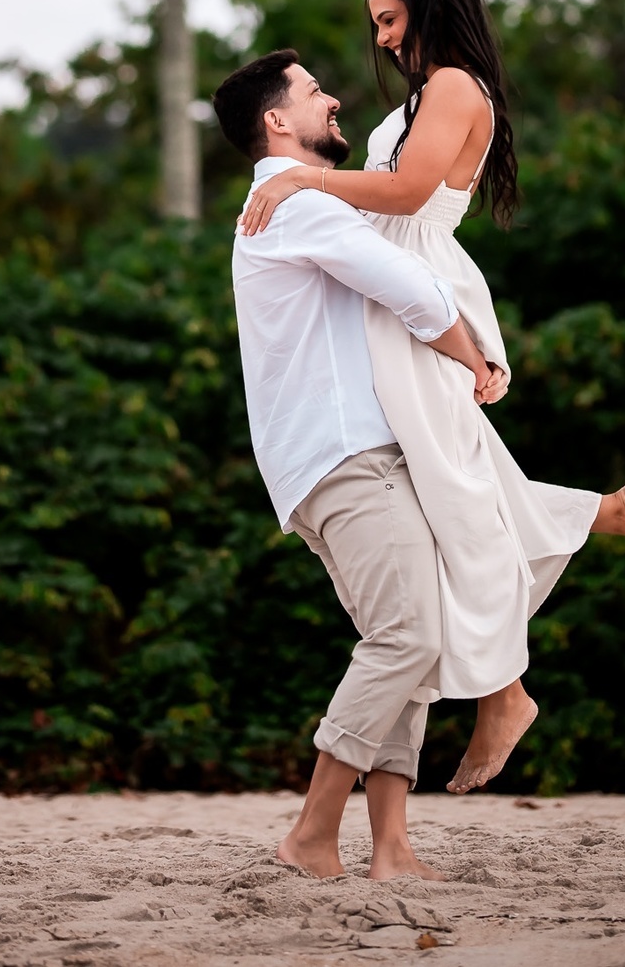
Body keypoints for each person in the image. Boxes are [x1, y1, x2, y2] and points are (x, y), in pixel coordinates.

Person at [236, 0, 625, 814]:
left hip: (419, 298)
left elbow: (410, 191)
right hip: (405, 304)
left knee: (460, 499)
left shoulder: (453, 87)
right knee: (472, 489)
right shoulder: (430, 93)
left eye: (387, 17)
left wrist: (309, 176)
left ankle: (505, 689)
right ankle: (612, 515)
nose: (379, 39)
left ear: (425, 3)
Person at [213, 48, 498, 881]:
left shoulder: (289, 205)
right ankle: (312, 831)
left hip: (334, 459)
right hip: (344, 459)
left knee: (405, 634)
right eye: (313, 92)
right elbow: (410, 289)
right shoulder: (295, 204)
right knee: (409, 633)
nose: (332, 100)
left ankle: (392, 846)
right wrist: (475, 356)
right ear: (277, 121)